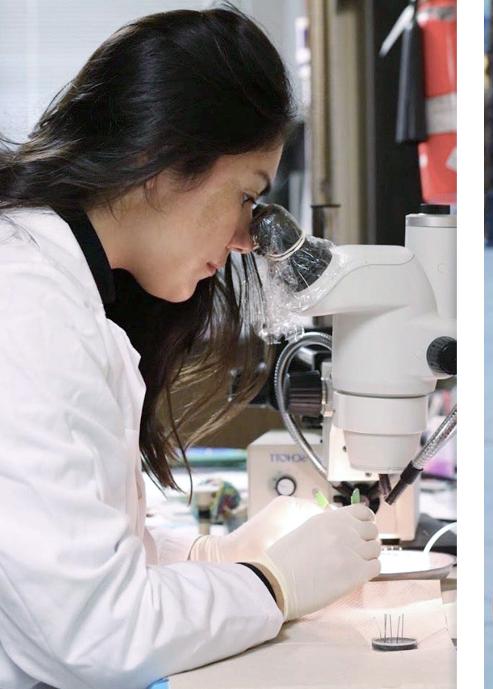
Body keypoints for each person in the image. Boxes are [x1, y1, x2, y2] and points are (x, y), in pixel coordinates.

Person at [0, 8, 380, 688]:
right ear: (165, 163)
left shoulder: (62, 291)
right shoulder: (25, 309)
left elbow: (71, 545)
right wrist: (271, 585)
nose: (245, 239)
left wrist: (210, 552)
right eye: (247, 197)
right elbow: (92, 632)